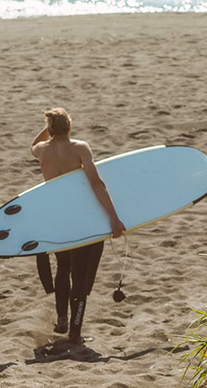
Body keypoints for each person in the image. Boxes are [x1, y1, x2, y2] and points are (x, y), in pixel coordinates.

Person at [30, 107, 126, 344]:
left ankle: (61, 319)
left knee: (63, 267)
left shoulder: (43, 151)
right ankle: (75, 331)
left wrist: (49, 129)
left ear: (51, 129)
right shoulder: (80, 148)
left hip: (57, 218)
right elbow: (96, 183)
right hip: (80, 218)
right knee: (80, 274)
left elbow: (34, 143)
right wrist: (114, 217)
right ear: (69, 127)